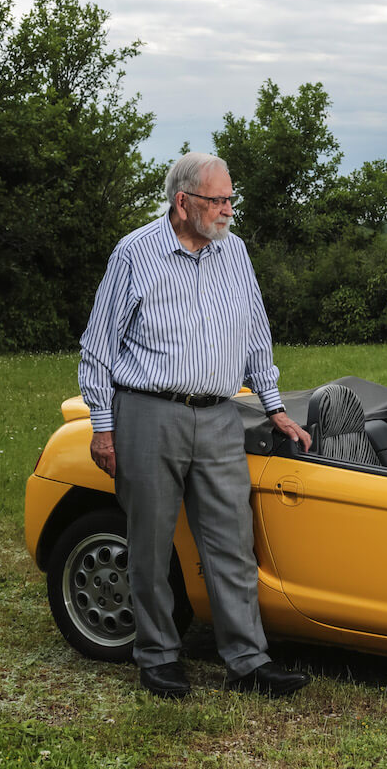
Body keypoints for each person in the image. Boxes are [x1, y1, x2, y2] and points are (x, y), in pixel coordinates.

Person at [78, 152, 312, 699]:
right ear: (183, 202)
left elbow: (256, 332)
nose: (229, 210)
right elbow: (98, 347)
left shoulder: (235, 252)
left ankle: (248, 663)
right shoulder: (134, 252)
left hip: (219, 416)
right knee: (151, 544)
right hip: (149, 412)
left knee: (231, 544)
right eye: (219, 200)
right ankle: (158, 658)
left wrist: (275, 406)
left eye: (232, 199)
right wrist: (103, 426)